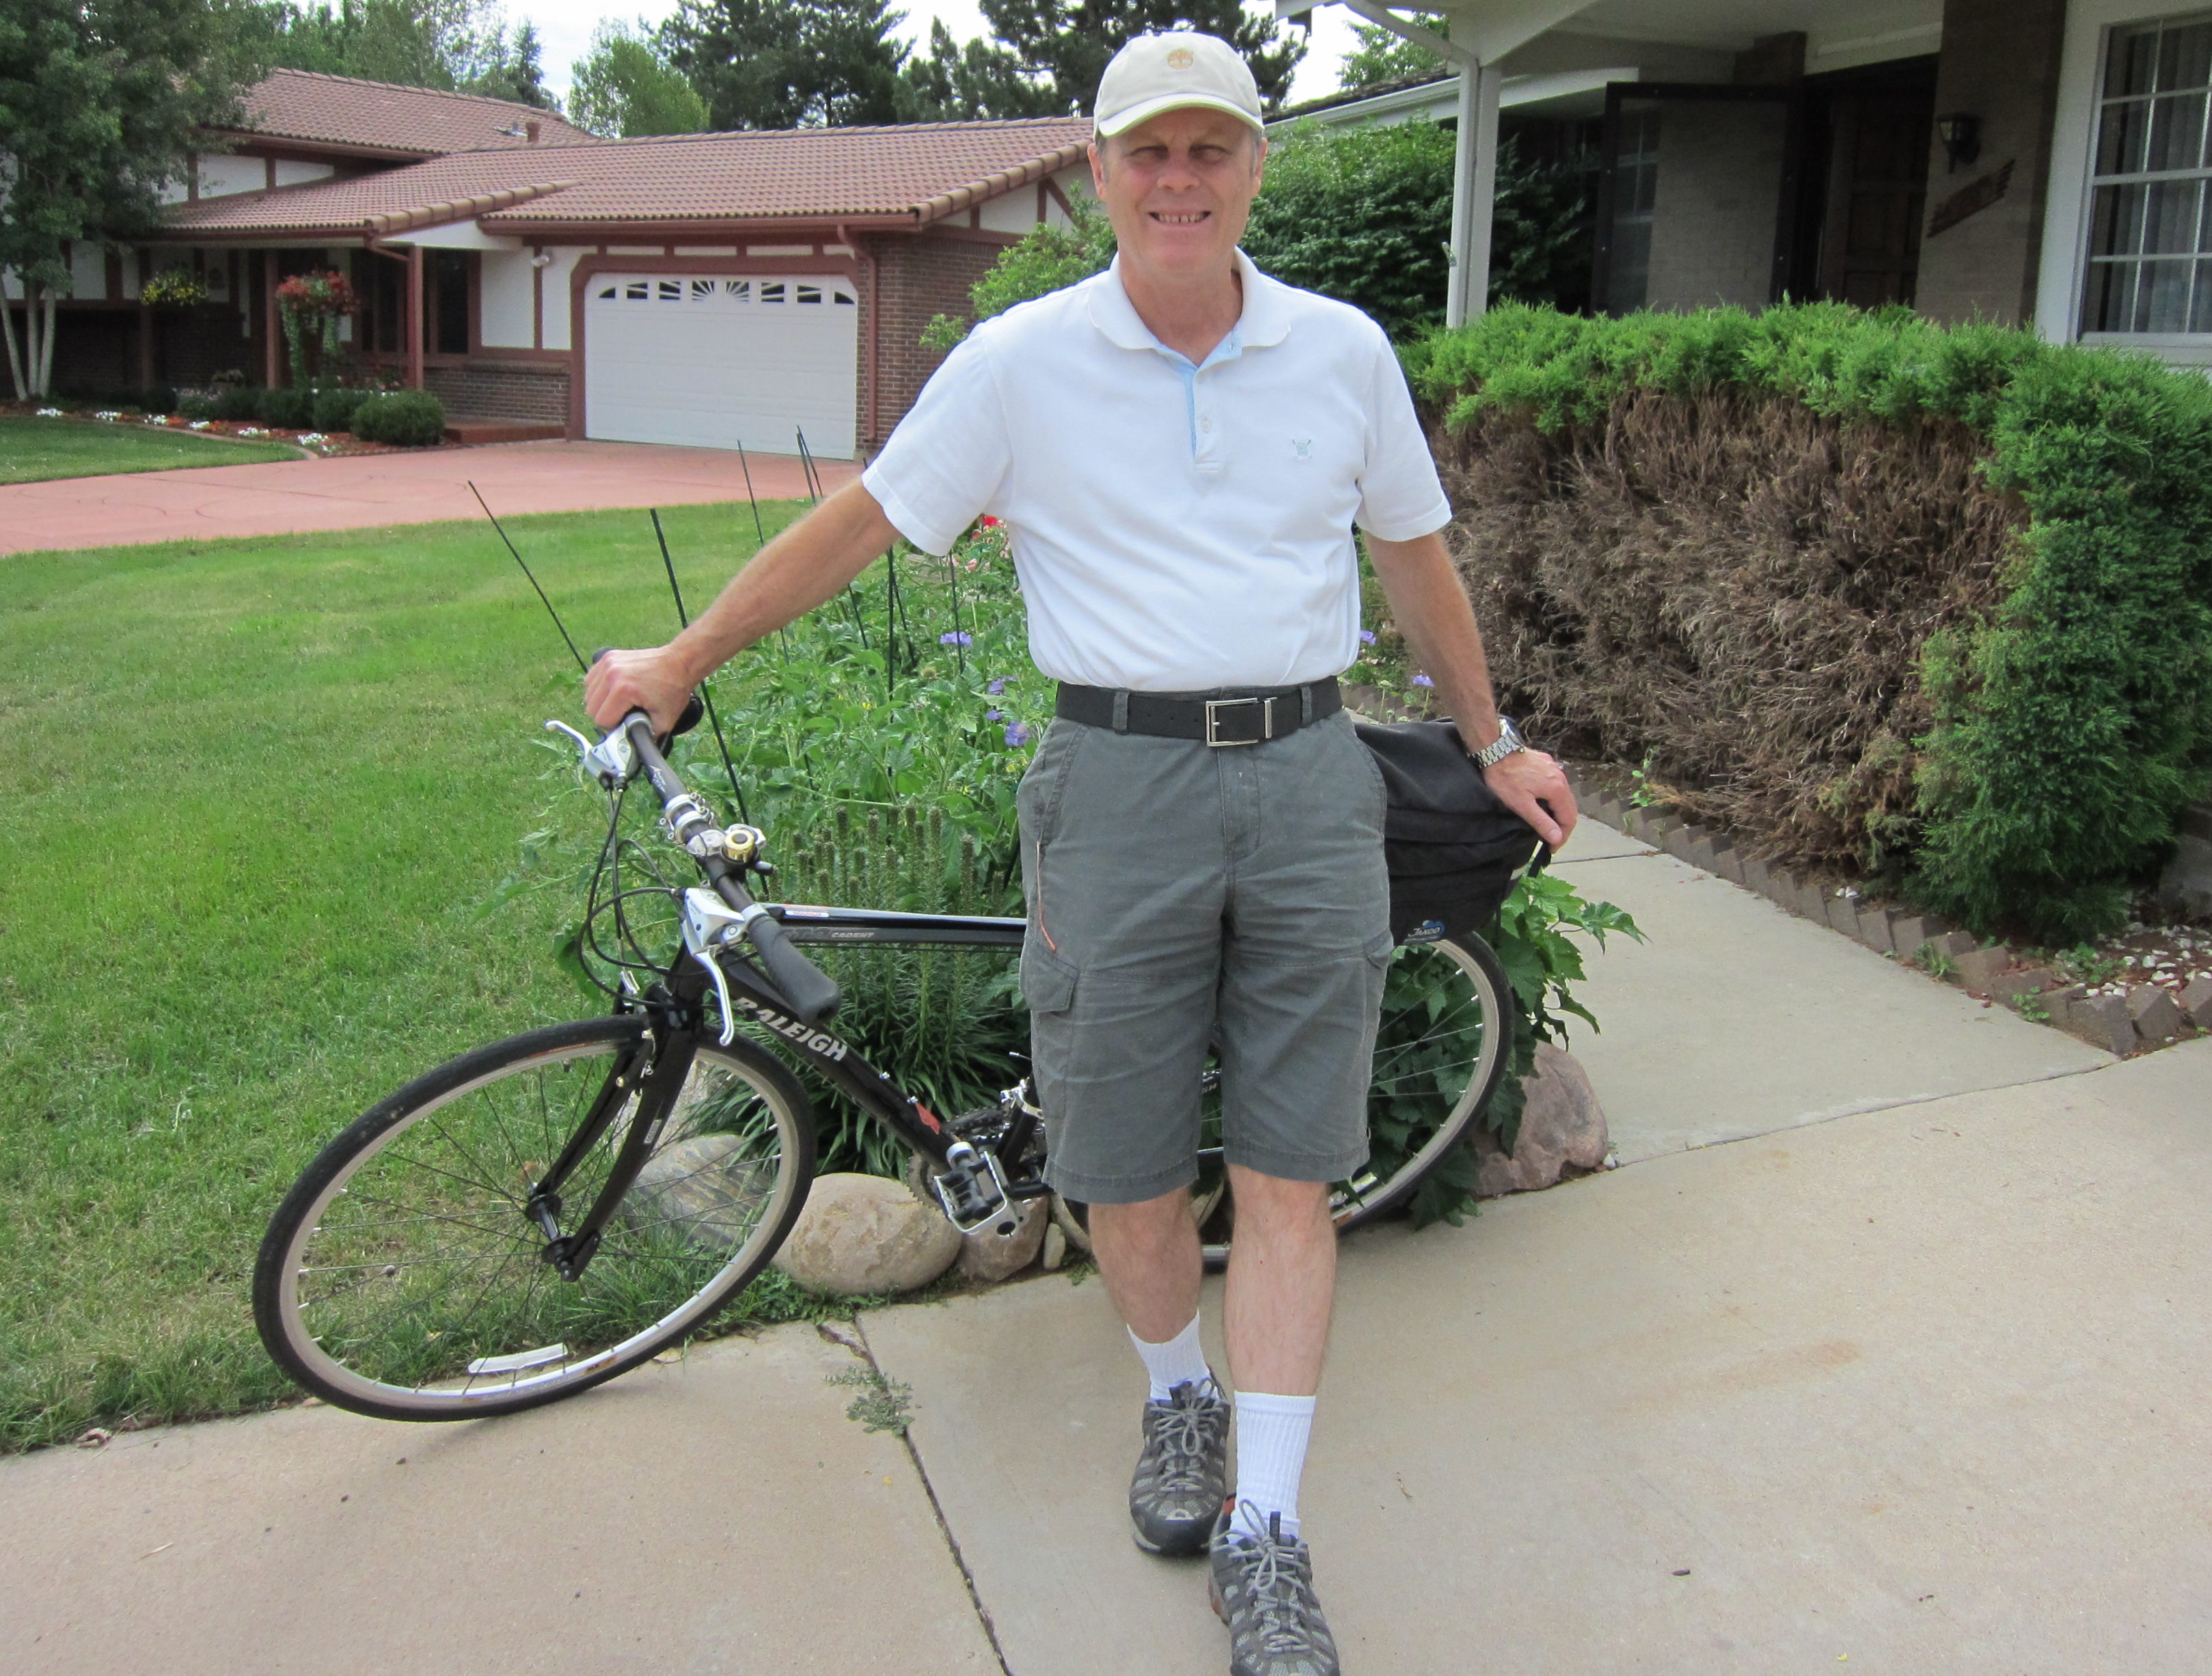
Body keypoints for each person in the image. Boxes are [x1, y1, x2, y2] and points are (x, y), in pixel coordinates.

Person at [586, 29, 1576, 1675]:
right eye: (1147, 153)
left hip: (1311, 775)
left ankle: (1265, 1525)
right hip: (1112, 787)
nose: (1178, 181)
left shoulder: (1339, 353)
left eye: (1209, 151)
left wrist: (1489, 742)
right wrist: (685, 657)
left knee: (1283, 1159)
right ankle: (1174, 1398)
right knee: (1117, 1158)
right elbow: (864, 521)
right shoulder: (1018, 362)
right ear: (1096, 169)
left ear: (1254, 167)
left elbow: (1412, 556)